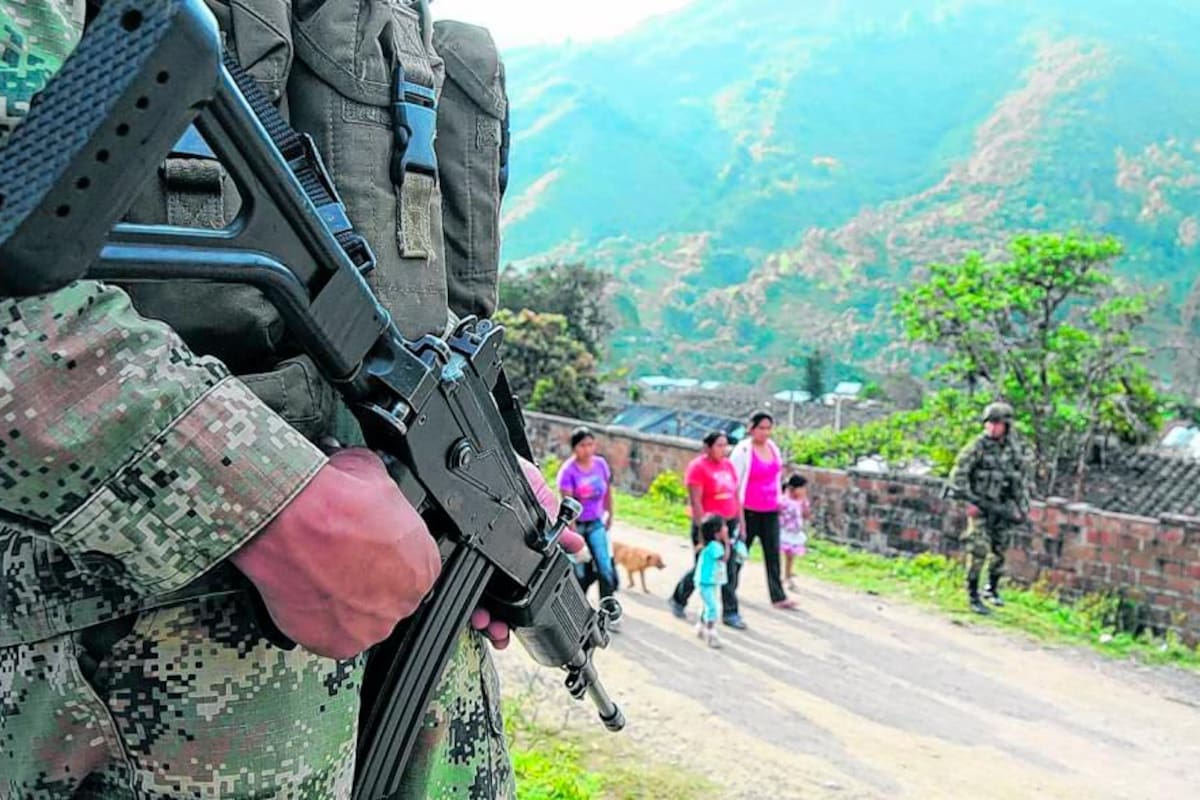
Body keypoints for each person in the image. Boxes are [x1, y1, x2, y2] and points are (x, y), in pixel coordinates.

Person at [0, 3, 576, 797]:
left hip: (415, 694)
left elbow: (397, 282)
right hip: (134, 701)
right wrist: (251, 494)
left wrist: (473, 469)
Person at [949, 401, 1031, 616]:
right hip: (980, 506)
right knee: (978, 550)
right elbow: (958, 477)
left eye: (998, 424)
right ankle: (973, 595)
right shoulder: (976, 447)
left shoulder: (1013, 449)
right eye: (990, 423)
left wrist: (1022, 509)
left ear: (1006, 426)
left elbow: (1019, 481)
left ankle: (992, 589)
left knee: (1000, 550)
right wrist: (969, 503)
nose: (993, 428)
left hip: (1001, 508)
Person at [668, 431, 749, 630]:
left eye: (725, 445)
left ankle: (730, 612)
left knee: (729, 568)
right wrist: (702, 533)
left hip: (728, 524)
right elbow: (696, 501)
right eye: (719, 445)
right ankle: (679, 598)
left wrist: (741, 522)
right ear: (708, 447)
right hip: (709, 526)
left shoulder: (728, 466)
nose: (724, 449)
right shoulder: (698, 468)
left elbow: (735, 496)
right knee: (703, 568)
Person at [729, 412, 796, 610]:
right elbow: (734, 481)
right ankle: (729, 590)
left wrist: (779, 500)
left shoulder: (773, 448)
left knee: (772, 553)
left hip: (770, 510)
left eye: (768, 428)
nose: (765, 432)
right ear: (751, 428)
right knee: (740, 552)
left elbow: (776, 477)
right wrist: (736, 513)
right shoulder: (742, 451)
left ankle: (778, 596)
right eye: (761, 428)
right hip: (748, 511)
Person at [557, 426, 617, 602]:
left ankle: (607, 606)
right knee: (580, 571)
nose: (588, 449)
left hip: (597, 522)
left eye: (591, 444)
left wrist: (610, 514)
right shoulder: (568, 471)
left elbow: (607, 491)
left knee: (604, 565)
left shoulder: (600, 464)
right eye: (583, 445)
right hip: (578, 525)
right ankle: (578, 606)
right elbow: (567, 504)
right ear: (575, 447)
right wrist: (573, 531)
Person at [694, 514, 730, 649]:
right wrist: (727, 542)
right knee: (713, 607)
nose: (726, 529)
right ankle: (711, 632)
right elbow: (724, 558)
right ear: (717, 532)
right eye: (724, 527)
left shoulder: (709, 545)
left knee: (707, 605)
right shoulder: (715, 546)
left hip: (708, 581)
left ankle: (701, 626)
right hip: (707, 582)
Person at [779, 474, 810, 591]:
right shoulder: (784, 500)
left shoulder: (802, 501)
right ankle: (783, 575)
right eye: (802, 488)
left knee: (791, 556)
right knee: (784, 553)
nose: (803, 491)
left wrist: (805, 504)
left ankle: (787, 574)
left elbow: (806, 514)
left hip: (795, 532)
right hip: (784, 530)